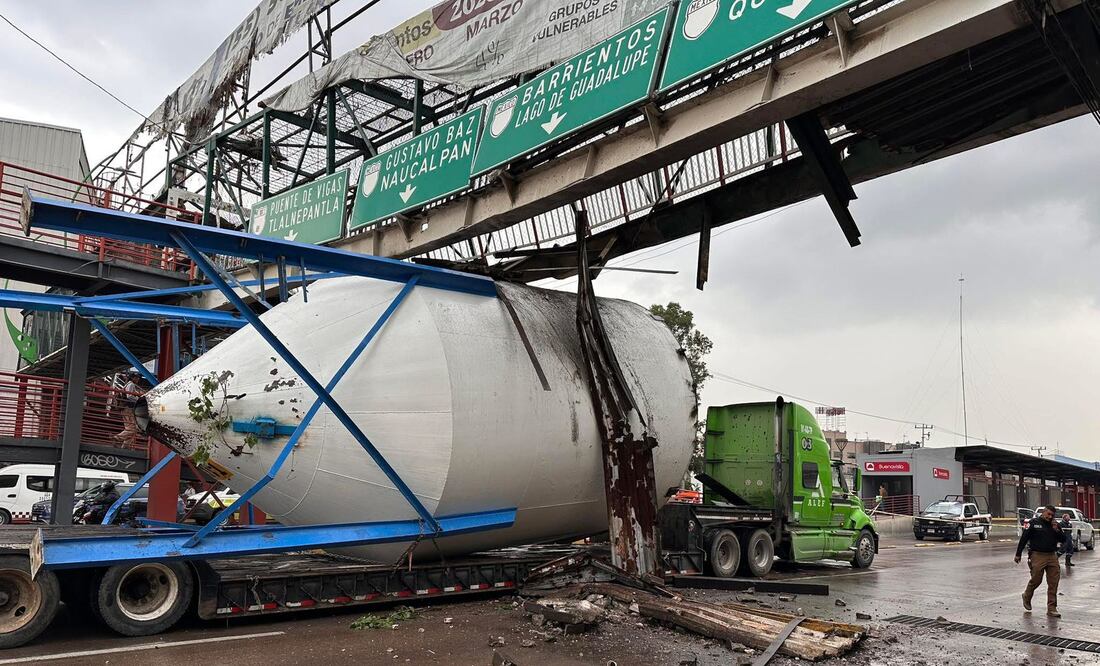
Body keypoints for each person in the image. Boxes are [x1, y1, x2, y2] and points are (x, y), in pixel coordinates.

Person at [1015, 505, 1064, 617]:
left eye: (1052, 515)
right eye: (1048, 514)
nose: (1050, 517)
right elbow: (1024, 538)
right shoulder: (1033, 523)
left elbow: (1063, 539)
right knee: (1036, 579)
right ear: (1043, 512)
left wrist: (1057, 530)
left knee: (1053, 583)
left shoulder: (1055, 525)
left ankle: (1052, 608)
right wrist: (1018, 554)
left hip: (1052, 555)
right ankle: (1027, 595)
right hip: (1037, 555)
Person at [114, 371, 145, 447]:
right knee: (133, 428)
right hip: (128, 408)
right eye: (136, 377)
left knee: (130, 428)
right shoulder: (131, 384)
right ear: (132, 378)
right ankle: (117, 438)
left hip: (125, 408)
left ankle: (125, 446)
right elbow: (129, 396)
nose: (138, 379)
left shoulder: (128, 384)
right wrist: (138, 399)